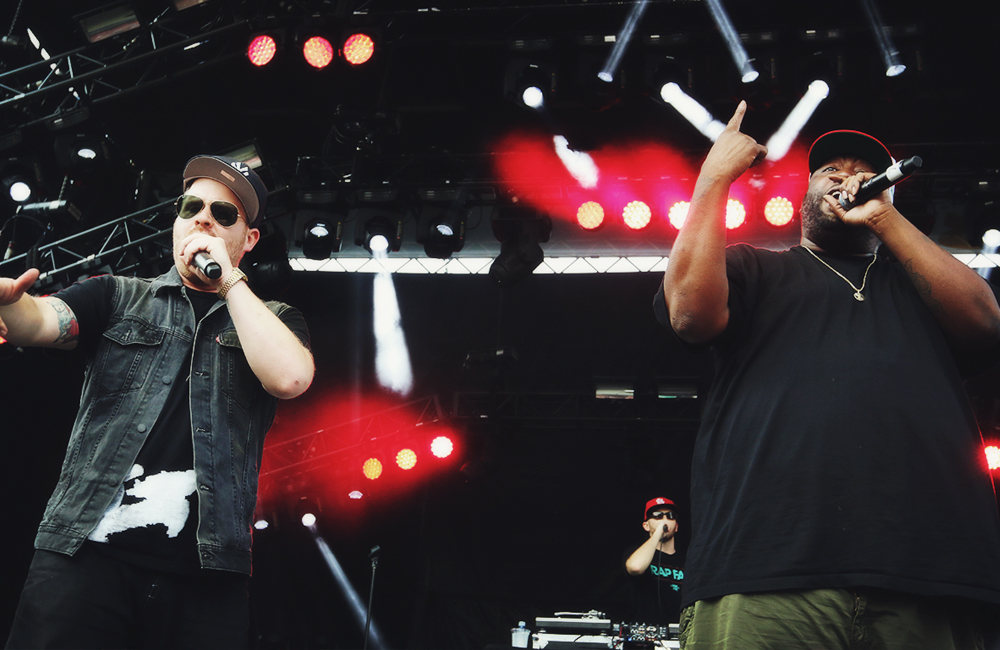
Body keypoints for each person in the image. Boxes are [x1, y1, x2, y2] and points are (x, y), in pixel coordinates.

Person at [655, 101, 1000, 650]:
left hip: (928, 577)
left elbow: (986, 323)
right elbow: (690, 316)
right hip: (765, 572)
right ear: (804, 194)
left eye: (862, 173)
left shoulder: (916, 280)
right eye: (829, 172)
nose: (846, 179)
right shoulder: (755, 268)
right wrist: (715, 175)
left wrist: (884, 217)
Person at [1, 155, 315, 649]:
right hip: (84, 556)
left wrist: (229, 280)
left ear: (249, 239)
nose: (203, 218)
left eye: (224, 213)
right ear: (177, 220)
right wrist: (9, 305)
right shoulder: (119, 296)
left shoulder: (274, 318)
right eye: (191, 206)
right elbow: (41, 320)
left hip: (206, 576)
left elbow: (291, 378)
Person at [624, 497, 685, 626]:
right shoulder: (635, 552)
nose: (665, 520)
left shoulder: (687, 560)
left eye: (670, 516)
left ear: (676, 526)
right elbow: (636, 567)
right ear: (646, 526)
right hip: (646, 636)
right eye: (657, 516)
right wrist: (658, 533)